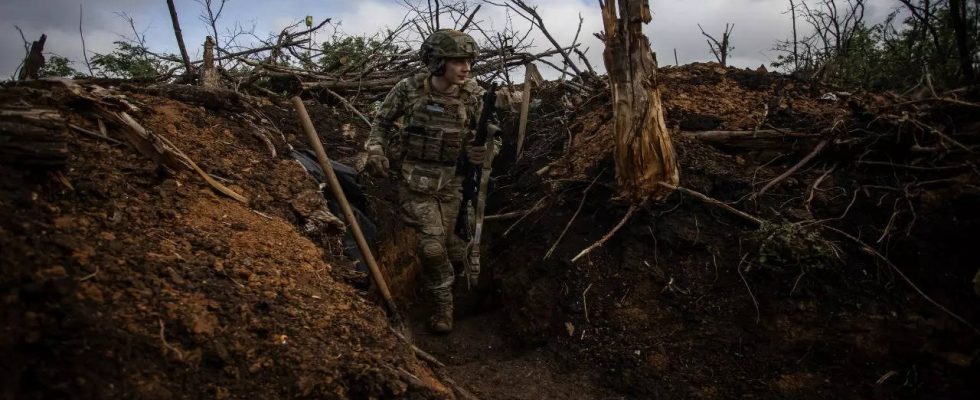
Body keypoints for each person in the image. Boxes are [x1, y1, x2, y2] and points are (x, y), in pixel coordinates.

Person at [364, 29, 498, 333]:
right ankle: (443, 308)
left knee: (450, 244)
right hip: (414, 180)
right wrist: (374, 150)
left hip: (452, 183)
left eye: (469, 61)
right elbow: (381, 124)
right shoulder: (409, 89)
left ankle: (468, 290)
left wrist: (483, 153)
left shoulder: (475, 96)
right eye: (458, 61)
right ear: (438, 62)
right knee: (431, 247)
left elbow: (493, 138)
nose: (466, 67)